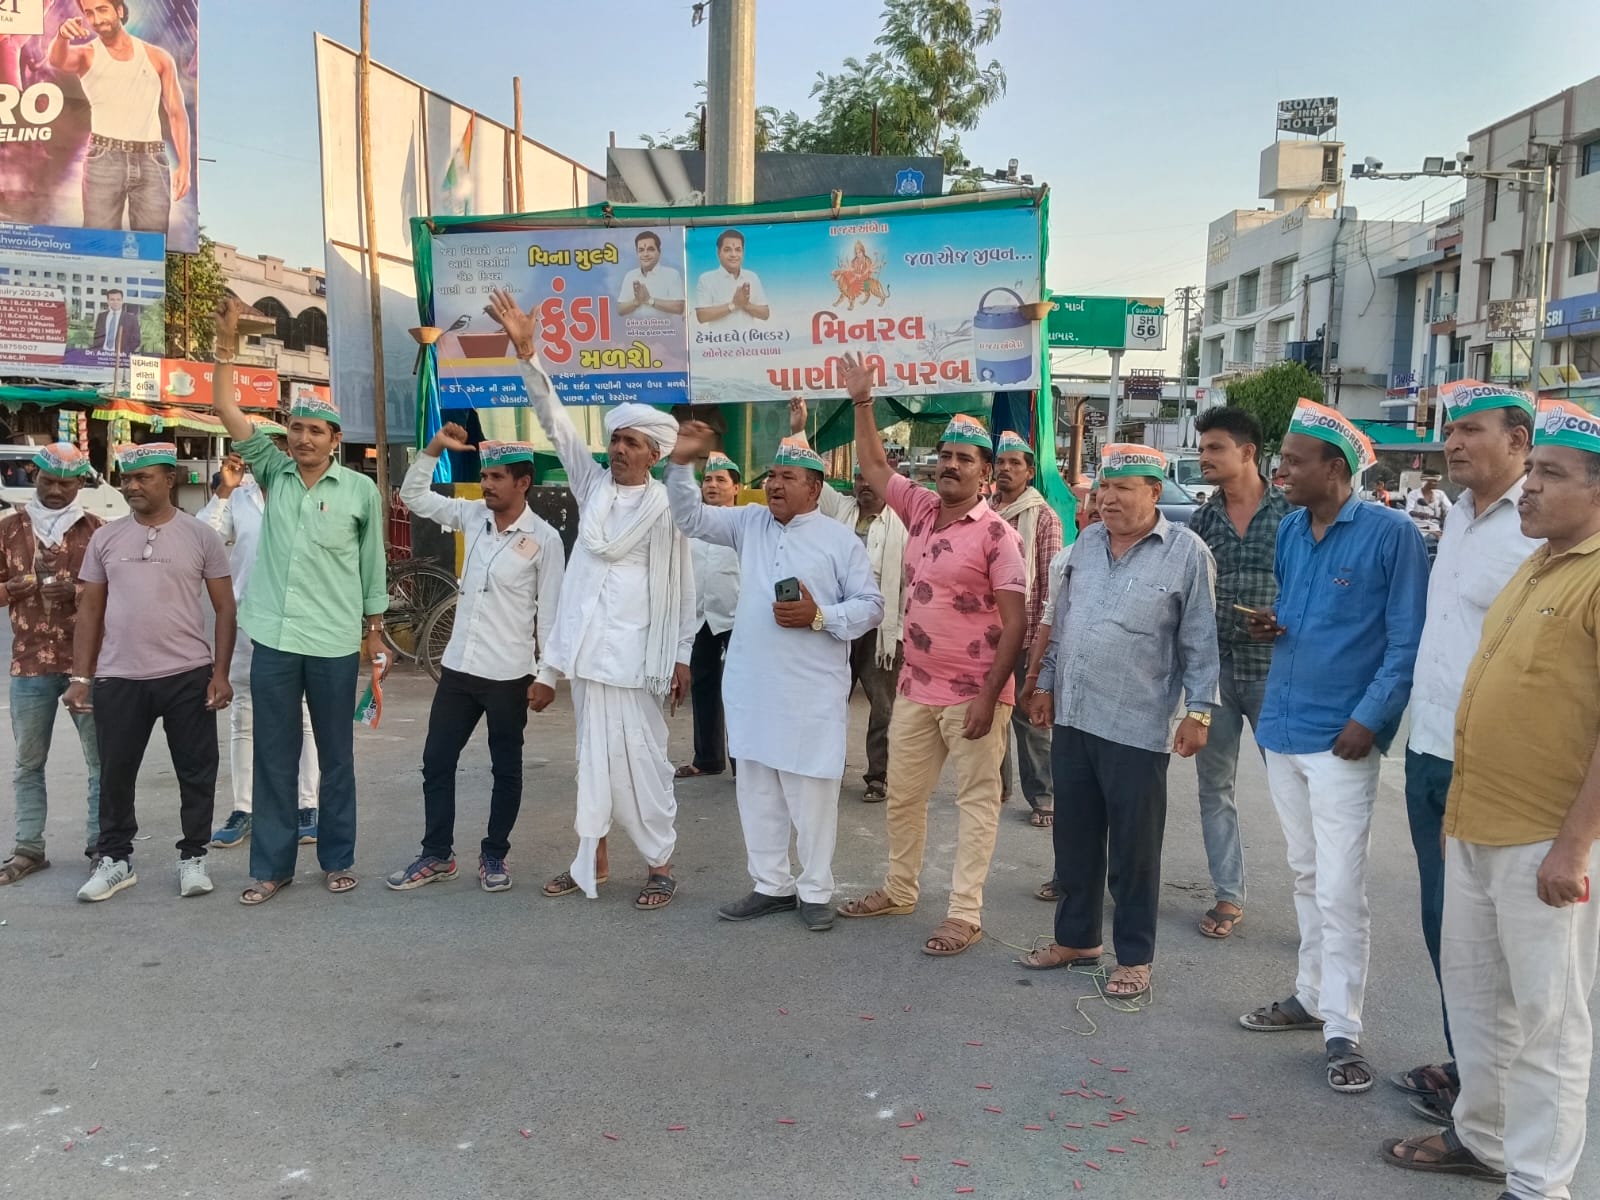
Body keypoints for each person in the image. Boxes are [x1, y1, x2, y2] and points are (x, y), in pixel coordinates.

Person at [1380, 397, 1600, 1197]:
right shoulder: (1537, 563)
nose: (1529, 486)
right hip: (1475, 823)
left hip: (1546, 836)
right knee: (1478, 1004)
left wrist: (1574, 846)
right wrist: (1458, 813)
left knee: (1548, 1021)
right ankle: (1484, 1139)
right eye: (1532, 469)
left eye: (1551, 475)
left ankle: (1539, 1184)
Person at [1238, 399, 1429, 1095]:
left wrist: (1369, 719)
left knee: (1341, 885)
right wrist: (1273, 624)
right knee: (1305, 872)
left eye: (1293, 461)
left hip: (1341, 739)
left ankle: (1343, 1028)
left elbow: (1406, 641)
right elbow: (1299, 612)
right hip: (1283, 727)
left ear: (1336, 468)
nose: (1280, 471)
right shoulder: (1292, 529)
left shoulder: (1392, 534)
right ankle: (1311, 994)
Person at [484, 287, 694, 910]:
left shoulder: (667, 507)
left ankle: (660, 864)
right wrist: (529, 356)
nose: (619, 449)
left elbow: (684, 586)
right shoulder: (592, 485)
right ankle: (592, 861)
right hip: (588, 656)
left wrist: (682, 653)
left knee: (643, 762)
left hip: (637, 658)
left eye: (632, 442)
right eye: (616, 439)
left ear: (654, 453)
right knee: (593, 763)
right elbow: (557, 424)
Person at [836, 354, 1027, 958]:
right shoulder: (919, 509)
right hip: (917, 686)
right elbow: (873, 465)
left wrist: (990, 695)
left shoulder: (998, 535)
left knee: (976, 803)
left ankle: (965, 914)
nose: (950, 465)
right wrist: (863, 402)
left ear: (985, 472)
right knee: (903, 793)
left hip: (974, 694)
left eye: (964, 458)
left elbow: (1017, 622)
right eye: (945, 455)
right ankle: (899, 890)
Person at [1019, 445, 1219, 999]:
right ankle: (1076, 939)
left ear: (1154, 493)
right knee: (1074, 839)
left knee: (1134, 850)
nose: (1107, 498)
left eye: (1122, 488)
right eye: (1103, 487)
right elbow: (1063, 625)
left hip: (1137, 725)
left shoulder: (1187, 553)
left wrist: (1199, 712)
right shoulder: (1085, 544)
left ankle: (1134, 956)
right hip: (1075, 717)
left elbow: (1201, 640)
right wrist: (1046, 685)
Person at [1391, 382, 1539, 1123]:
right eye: (1450, 430)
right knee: (1445, 927)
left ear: (1518, 442)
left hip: (1489, 765)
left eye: (1471, 430)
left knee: (1492, 944)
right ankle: (1468, 1067)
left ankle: (1494, 1105)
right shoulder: (1458, 516)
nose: (1452, 443)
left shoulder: (1537, 530)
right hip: (1428, 748)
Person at [210, 299, 389, 906]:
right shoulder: (272, 472)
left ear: (335, 440)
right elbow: (227, 408)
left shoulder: (359, 491)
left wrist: (374, 632)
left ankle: (337, 859)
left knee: (336, 757)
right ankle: (271, 867)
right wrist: (226, 346)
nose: (304, 438)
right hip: (276, 639)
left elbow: (372, 567)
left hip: (335, 640)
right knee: (274, 755)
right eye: (297, 429)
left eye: (316, 431)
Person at [666, 429, 883, 931]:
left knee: (811, 794)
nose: (776, 485)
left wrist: (820, 615)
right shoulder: (749, 523)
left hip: (810, 691)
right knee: (758, 789)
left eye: (789, 477)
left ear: (815, 487)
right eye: (772, 477)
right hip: (753, 686)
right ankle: (771, 885)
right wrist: (679, 466)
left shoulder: (838, 539)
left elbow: (872, 606)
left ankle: (815, 890)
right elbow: (690, 517)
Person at [387, 430, 566, 894]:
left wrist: (548, 674)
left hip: (509, 675)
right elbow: (413, 497)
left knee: (505, 769)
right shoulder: (473, 515)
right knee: (436, 761)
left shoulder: (545, 540)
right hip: (459, 668)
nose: (486, 485)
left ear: (523, 482)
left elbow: (552, 614)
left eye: (497, 477)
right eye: (484, 476)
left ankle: (494, 854)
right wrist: (433, 449)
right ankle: (437, 854)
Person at [66, 442, 234, 902]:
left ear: (169, 480)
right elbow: (90, 611)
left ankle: (193, 856)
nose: (131, 486)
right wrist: (81, 678)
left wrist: (220, 673)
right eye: (126, 478)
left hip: (187, 673)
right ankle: (115, 860)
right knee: (115, 774)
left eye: (143, 478)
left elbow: (225, 608)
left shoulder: (201, 536)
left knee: (196, 771)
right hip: (119, 676)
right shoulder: (106, 538)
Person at [1186, 406, 1292, 939]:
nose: (1204, 457)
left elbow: (1314, 586)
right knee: (1214, 787)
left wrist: (1286, 618)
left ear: (1248, 452)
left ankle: (1321, 909)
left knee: (1296, 792)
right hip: (1217, 673)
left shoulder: (1291, 514)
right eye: (1202, 448)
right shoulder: (1202, 521)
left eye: (1215, 448)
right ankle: (1228, 894)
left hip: (1278, 672)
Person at [200, 452, 320, 850]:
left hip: (298, 620)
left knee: (303, 714)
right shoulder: (240, 498)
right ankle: (245, 809)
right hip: (247, 621)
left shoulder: (308, 493)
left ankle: (307, 806)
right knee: (244, 716)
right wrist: (223, 491)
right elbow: (204, 538)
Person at [790, 396, 907, 803]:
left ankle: (878, 777)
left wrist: (905, 630)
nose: (863, 484)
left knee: (883, 706)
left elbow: (910, 581)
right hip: (836, 620)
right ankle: (826, 769)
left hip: (881, 627)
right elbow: (810, 478)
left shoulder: (904, 522)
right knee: (830, 699)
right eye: (858, 477)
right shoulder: (840, 508)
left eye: (870, 477)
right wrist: (798, 430)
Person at [0, 444, 104, 885]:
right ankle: (28, 848)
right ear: (34, 475)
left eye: (66, 484)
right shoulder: (8, 530)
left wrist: (75, 592)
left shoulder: (97, 531)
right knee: (28, 762)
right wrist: (19, 587)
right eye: (47, 481)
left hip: (87, 664)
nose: (56, 491)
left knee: (100, 761)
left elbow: (117, 593)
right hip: (29, 664)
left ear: (80, 484)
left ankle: (102, 846)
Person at [48, 1, 191, 235]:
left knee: (150, 247)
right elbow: (58, 60)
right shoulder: (87, 54)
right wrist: (62, 36)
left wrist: (185, 165)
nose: (96, 19)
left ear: (120, 10)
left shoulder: (158, 58)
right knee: (98, 242)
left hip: (152, 159)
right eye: (89, 13)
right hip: (104, 157)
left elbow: (176, 112)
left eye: (102, 9)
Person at [991, 430, 1063, 829]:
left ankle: (1043, 797)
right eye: (1000, 462)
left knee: (1028, 717)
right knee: (990, 710)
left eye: (1014, 463)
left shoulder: (1043, 517)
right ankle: (995, 788)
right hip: (987, 633)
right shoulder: (983, 511)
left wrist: (1039, 645)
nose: (1005, 468)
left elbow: (1050, 586)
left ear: (1029, 472)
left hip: (1026, 633)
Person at [677, 451, 741, 780]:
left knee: (739, 691)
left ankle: (743, 762)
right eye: (708, 480)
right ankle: (707, 758)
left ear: (736, 488)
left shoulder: (744, 523)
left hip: (735, 617)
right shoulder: (691, 524)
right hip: (701, 617)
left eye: (721, 480)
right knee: (703, 686)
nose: (712, 485)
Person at [694, 229, 770, 327]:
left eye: (738, 250)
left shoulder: (752, 277)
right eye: (727, 250)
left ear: (743, 252)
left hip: (748, 336)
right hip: (719, 337)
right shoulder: (706, 279)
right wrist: (734, 305)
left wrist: (746, 305)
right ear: (718, 252)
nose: (734, 255)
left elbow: (765, 314)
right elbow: (702, 316)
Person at [617, 231, 686, 317]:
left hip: (665, 325)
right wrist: (636, 302)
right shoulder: (630, 276)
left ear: (659, 251)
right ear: (637, 253)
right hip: (636, 325)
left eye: (650, 249)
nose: (645, 254)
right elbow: (620, 310)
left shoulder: (672, 274)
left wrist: (650, 300)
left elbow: (679, 307)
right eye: (641, 250)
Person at [92, 289, 141, 356]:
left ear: (122, 301)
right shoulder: (101, 316)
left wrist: (124, 353)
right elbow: (97, 337)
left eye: (118, 299)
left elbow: (136, 340)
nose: (115, 302)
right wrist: (97, 350)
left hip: (121, 356)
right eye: (112, 299)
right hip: (101, 354)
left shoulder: (131, 318)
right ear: (108, 301)